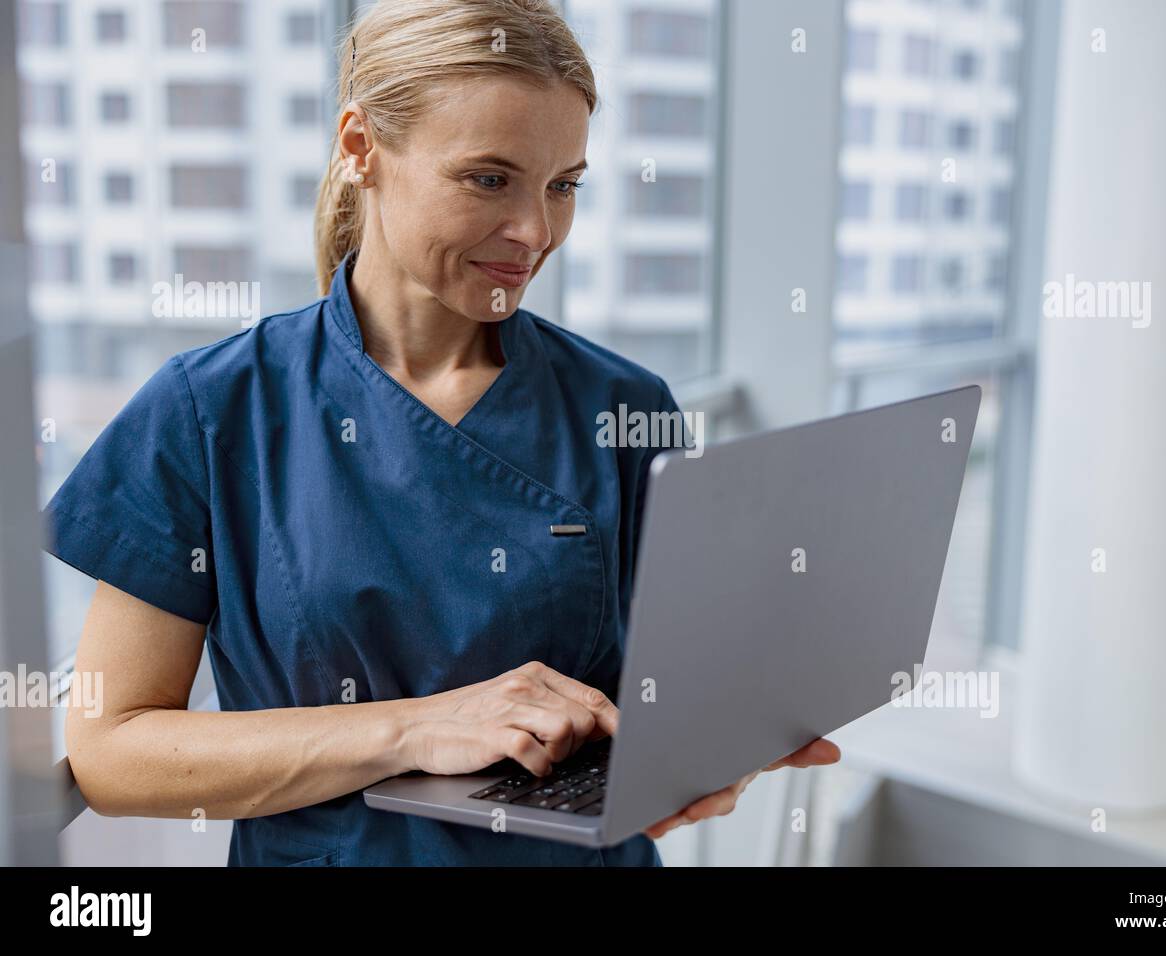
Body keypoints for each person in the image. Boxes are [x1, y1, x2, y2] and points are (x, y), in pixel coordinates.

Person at [43, 0, 838, 867]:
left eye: (563, 184)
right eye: (489, 179)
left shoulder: (624, 405)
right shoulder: (208, 410)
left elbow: (669, 689)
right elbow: (113, 754)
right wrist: (421, 728)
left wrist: (705, 748)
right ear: (360, 149)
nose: (536, 232)